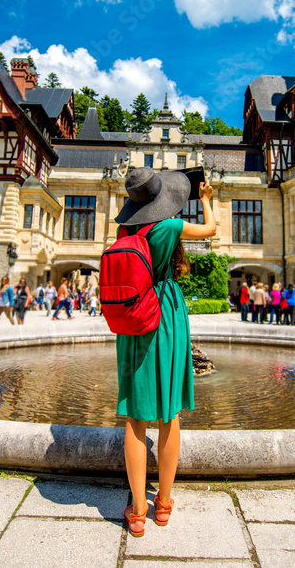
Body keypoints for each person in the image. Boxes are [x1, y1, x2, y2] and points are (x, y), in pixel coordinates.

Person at [110, 166, 216, 537]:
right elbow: (211, 231)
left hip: (133, 315)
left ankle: (137, 511)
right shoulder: (169, 228)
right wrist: (205, 201)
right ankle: (164, 504)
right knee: (169, 415)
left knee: (136, 418)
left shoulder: (125, 231)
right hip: (166, 313)